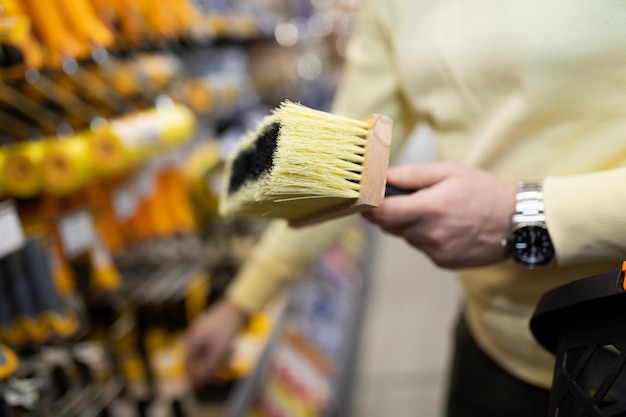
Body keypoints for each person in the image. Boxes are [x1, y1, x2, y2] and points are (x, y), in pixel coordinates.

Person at [185, 0, 626, 415]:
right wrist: (241, 302)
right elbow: (335, 161)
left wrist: (525, 213)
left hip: (614, 339)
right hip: (493, 339)